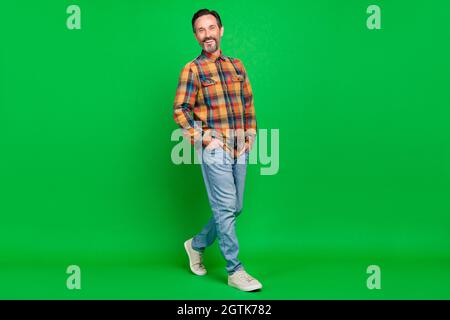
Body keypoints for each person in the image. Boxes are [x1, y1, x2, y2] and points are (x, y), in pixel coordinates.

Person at [173, 8, 262, 292]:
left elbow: (248, 102)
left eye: (211, 27)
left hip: (240, 146)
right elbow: (180, 109)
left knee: (235, 207)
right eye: (201, 30)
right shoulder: (193, 69)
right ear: (196, 35)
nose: (207, 34)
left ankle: (196, 244)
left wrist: (250, 135)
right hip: (215, 147)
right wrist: (203, 138)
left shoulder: (237, 65)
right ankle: (235, 271)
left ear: (220, 30)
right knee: (225, 208)